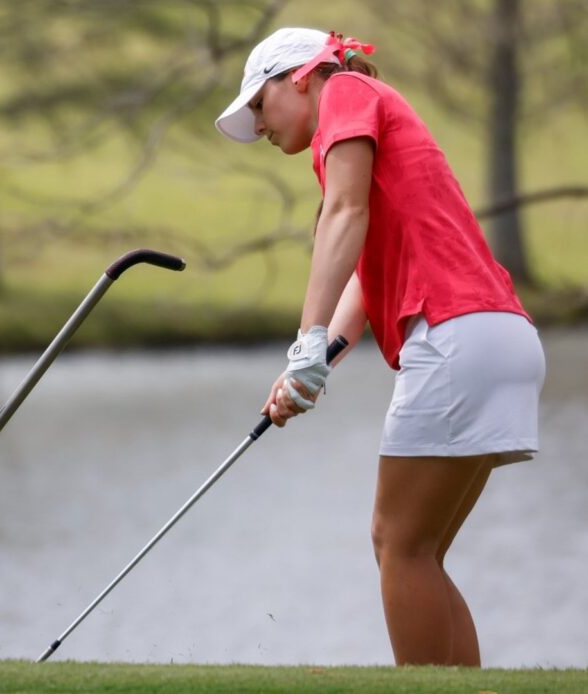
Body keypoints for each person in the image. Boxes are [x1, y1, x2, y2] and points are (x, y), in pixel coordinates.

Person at [215, 27, 546, 667]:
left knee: (397, 544)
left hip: (455, 337)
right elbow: (364, 293)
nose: (257, 124)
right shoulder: (365, 134)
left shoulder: (347, 92)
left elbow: (344, 215)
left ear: (302, 77)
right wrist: (310, 371)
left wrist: (304, 346)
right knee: (420, 551)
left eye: (260, 103)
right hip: (498, 338)